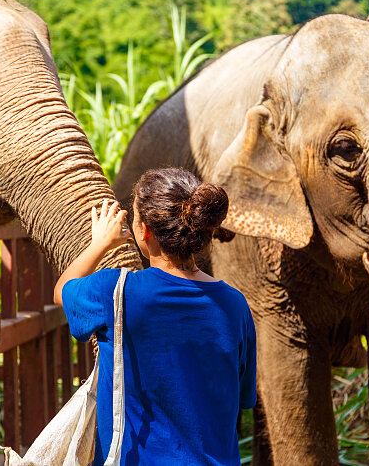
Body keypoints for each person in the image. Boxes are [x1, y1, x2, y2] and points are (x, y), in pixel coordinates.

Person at [53, 167, 257, 466]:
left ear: (144, 231)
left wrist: (99, 243)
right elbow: (243, 396)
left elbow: (62, 292)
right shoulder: (235, 305)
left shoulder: (115, 292)